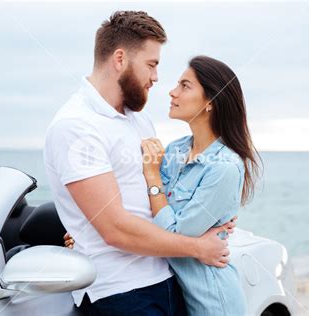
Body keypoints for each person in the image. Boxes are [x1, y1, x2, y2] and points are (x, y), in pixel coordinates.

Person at [43, 11, 236, 316]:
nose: (157, 78)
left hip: (170, 277)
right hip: (120, 292)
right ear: (120, 59)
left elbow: (156, 194)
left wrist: (214, 215)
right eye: (152, 64)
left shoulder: (139, 120)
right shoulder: (76, 126)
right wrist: (200, 248)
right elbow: (115, 229)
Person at [140, 55, 261, 315]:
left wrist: (152, 177)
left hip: (213, 302)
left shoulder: (224, 168)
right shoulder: (175, 149)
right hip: (172, 295)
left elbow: (173, 236)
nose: (172, 92)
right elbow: (142, 206)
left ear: (210, 103)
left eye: (185, 85)